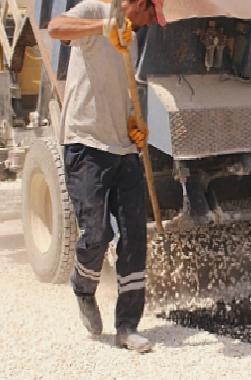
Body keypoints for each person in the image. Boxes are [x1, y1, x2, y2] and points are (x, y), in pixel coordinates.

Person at [48, 0, 166, 353]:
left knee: (133, 237)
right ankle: (84, 289)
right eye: (150, 15)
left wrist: (135, 122)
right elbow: (55, 28)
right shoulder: (94, 11)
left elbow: (123, 85)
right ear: (138, 3)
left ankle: (127, 326)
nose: (149, 23)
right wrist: (101, 28)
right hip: (86, 143)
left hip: (123, 148)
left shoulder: (131, 37)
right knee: (97, 234)